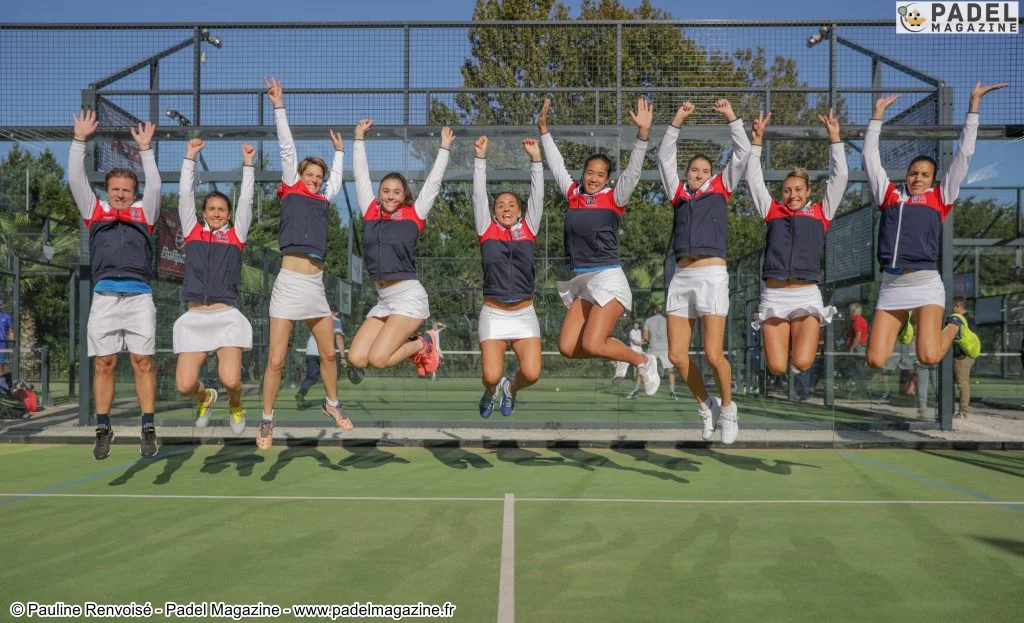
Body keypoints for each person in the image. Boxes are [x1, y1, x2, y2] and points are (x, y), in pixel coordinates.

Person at [863, 83, 1007, 373]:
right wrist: (877, 116)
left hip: (925, 283)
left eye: (925, 174)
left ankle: (957, 325)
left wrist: (973, 106)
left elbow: (964, 155)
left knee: (929, 356)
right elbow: (869, 158)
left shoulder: (941, 197)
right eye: (914, 173)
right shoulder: (889, 195)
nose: (918, 178)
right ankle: (904, 320)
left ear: (933, 179)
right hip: (891, 286)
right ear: (906, 175)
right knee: (875, 360)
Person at [538, 97, 660, 398]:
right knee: (567, 348)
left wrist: (642, 135)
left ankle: (643, 360)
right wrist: (543, 132)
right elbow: (556, 166)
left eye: (600, 174)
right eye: (589, 172)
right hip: (582, 281)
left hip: (607, 277)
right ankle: (619, 354)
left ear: (608, 178)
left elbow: (633, 171)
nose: (593, 177)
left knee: (592, 343)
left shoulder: (615, 197)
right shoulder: (573, 194)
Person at [258, 77, 351, 451]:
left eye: (319, 176)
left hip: (315, 286)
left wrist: (340, 155)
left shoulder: (325, 197)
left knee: (329, 353)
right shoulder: (290, 186)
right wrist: (279, 105)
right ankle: (266, 420)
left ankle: (332, 404)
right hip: (288, 283)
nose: (314, 179)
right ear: (298, 176)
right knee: (277, 359)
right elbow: (286, 147)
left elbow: (337, 180)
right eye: (309, 175)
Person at [657, 99, 751, 444]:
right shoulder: (677, 192)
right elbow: (664, 156)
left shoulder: (721, 188)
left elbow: (742, 153)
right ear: (686, 174)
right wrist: (678, 119)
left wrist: (731, 117)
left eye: (703, 170)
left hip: (712, 276)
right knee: (676, 356)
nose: (698, 174)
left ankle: (728, 409)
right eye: (693, 170)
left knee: (713, 354)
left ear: (711, 175)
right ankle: (706, 404)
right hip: (681, 277)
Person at [70, 109, 161, 460]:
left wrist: (146, 150)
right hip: (105, 298)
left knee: (142, 362)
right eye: (115, 189)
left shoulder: (145, 211)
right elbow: (76, 179)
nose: (121, 194)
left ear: (134, 193)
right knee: (104, 364)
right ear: (107, 191)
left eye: (126, 190)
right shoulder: (95, 210)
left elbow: (154, 185)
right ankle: (104, 428)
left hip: (139, 299)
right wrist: (79, 140)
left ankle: (148, 428)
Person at [347, 119, 452, 382]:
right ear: (379, 193)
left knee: (379, 359)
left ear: (404, 194)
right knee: (357, 358)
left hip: (407, 297)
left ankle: (424, 343)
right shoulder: (371, 213)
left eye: (396, 191)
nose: (390, 196)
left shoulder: (414, 214)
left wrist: (444, 148)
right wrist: (359, 139)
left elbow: (434, 183)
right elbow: (360, 176)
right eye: (385, 191)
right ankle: (421, 344)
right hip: (384, 299)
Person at [747, 109, 846, 386]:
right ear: (783, 192)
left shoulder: (821, 212)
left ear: (808, 192)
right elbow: (754, 180)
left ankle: (800, 340)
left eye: (798, 189)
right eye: (788, 190)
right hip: (775, 297)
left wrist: (835, 139)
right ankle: (785, 340)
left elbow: (840, 179)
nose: (793, 194)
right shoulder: (772, 210)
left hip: (806, 295)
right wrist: (757, 141)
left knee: (802, 362)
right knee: (777, 367)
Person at [173, 140, 254, 435]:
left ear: (229, 214)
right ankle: (205, 396)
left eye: (222, 209)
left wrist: (247, 166)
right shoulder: (193, 231)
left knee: (232, 380)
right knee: (183, 386)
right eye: (211, 208)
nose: (217, 212)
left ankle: (235, 405)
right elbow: (184, 194)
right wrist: (189, 157)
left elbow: (246, 201)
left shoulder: (235, 235)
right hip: (194, 318)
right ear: (203, 211)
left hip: (225, 317)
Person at [472, 136, 544, 417]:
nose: (506, 208)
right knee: (490, 376)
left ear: (520, 210)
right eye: (500, 204)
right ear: (493, 212)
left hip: (525, 314)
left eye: (511, 204)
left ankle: (510, 391)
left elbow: (537, 195)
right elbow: (479, 194)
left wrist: (536, 160)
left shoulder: (529, 229)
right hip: (494, 314)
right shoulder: (486, 230)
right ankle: (492, 391)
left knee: (533, 373)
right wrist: (480, 159)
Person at [950, 296, 981, 418]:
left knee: (962, 384)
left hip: (962, 357)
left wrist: (961, 355)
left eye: (952, 307)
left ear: (957, 306)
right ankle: (951, 410)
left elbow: (969, 340)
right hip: (959, 356)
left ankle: (963, 412)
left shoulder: (964, 320)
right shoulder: (968, 319)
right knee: (953, 383)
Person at [644, 305, 675, 399]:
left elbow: (645, 337)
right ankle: (672, 392)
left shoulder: (648, 320)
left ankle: (636, 390)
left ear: (654, 311)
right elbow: (672, 335)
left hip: (652, 348)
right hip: (665, 347)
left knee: (644, 369)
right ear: (663, 311)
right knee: (670, 370)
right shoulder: (668, 321)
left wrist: (647, 341)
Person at [625, 321, 646, 399]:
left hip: (640, 351)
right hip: (634, 351)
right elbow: (635, 342)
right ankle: (636, 378)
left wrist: (643, 341)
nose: (636, 325)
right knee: (637, 370)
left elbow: (640, 341)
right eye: (635, 324)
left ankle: (636, 390)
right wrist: (642, 342)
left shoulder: (640, 331)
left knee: (640, 370)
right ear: (633, 325)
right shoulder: (631, 332)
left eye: (637, 324)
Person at [0, 299, 13, 390]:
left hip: (3, 345)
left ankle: (2, 388)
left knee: (1, 365)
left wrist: (11, 339)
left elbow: (11, 330)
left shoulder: (6, 316)